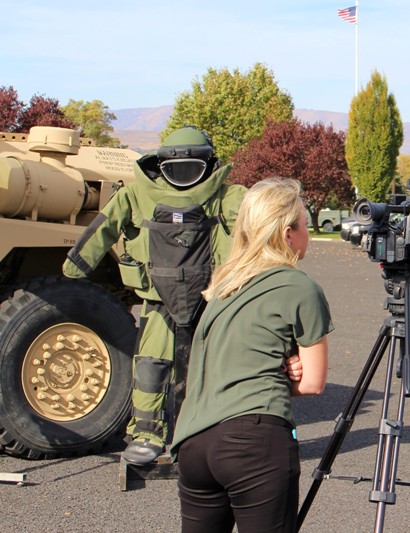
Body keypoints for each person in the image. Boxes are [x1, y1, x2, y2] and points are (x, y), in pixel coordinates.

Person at [62, 127, 247, 465]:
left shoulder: (228, 196)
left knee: (204, 368)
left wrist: (77, 265)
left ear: (208, 164)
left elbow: (264, 222)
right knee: (151, 367)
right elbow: (103, 227)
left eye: (194, 166)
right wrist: (77, 264)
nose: (185, 174)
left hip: (212, 298)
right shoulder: (136, 195)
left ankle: (190, 436)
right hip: (163, 298)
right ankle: (149, 434)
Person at [170, 178, 333, 533]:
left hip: (195, 442)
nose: (309, 233)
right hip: (254, 442)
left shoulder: (222, 285)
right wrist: (286, 376)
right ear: (287, 233)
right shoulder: (299, 287)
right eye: (306, 225)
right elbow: (314, 383)